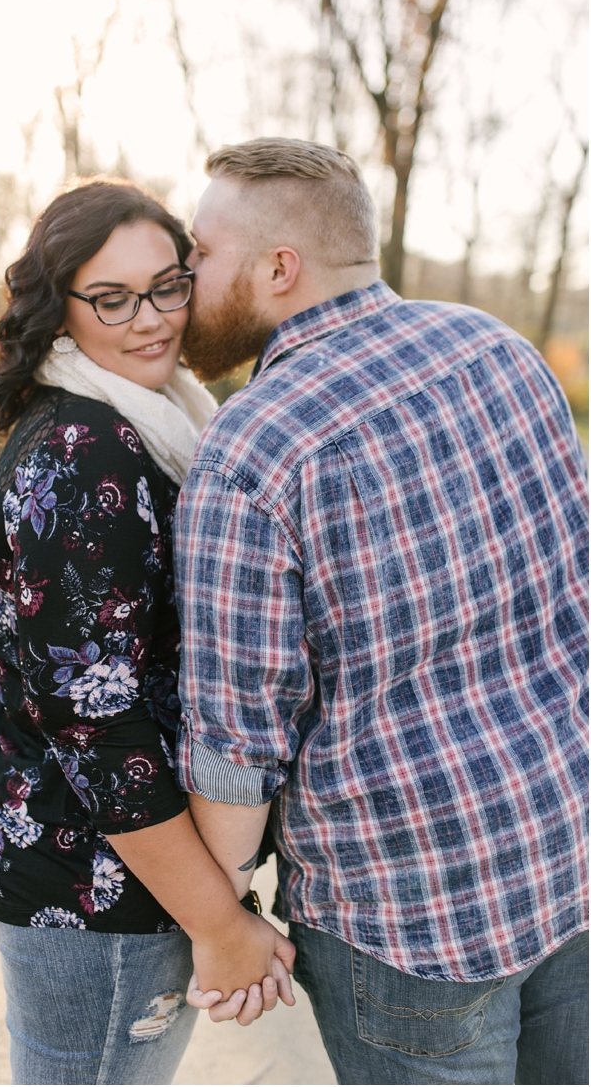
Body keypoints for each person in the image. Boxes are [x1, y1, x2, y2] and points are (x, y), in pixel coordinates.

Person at [175, 138, 587, 1083]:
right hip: (569, 852)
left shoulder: (251, 452)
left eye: (203, 251)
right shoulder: (502, 350)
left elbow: (239, 749)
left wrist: (223, 919)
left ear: (279, 268)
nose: (186, 274)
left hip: (406, 926)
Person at [0, 179, 291, 1084]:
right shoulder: (87, 454)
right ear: (60, 309)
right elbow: (93, 723)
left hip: (117, 868)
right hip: (93, 879)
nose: (151, 319)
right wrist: (221, 925)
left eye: (168, 286)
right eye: (112, 299)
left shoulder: (158, 418)